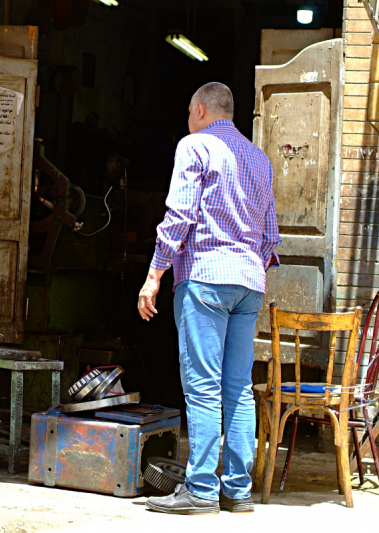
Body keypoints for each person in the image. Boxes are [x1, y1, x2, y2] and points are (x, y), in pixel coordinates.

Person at [137, 82, 280, 514]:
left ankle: (200, 490)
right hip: (248, 282)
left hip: (204, 278)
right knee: (237, 389)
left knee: (202, 386)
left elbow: (180, 214)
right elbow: (271, 233)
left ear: (198, 109)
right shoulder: (258, 157)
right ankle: (236, 492)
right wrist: (249, 268)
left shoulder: (194, 146)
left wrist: (154, 274)